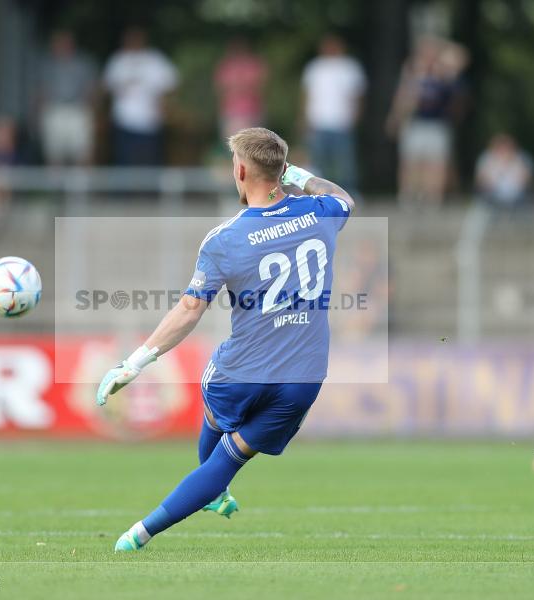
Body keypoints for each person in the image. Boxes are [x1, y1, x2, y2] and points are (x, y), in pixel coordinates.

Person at [96, 127, 354, 551]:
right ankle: (139, 534)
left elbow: (189, 310)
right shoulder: (319, 212)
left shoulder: (225, 238)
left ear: (241, 170)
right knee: (230, 458)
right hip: (304, 378)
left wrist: (134, 362)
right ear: (281, 170)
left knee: (215, 398)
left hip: (241, 373)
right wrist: (299, 176)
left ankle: (210, 490)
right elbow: (345, 198)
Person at [387, 36, 468, 208]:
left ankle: (432, 198)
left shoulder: (444, 72)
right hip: (415, 122)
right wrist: (396, 117)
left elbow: (460, 56)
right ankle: (408, 195)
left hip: (438, 123)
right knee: (411, 161)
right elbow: (402, 95)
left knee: (436, 163)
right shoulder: (413, 71)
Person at [301, 34, 367, 193]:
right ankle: (320, 192)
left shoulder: (350, 67)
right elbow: (307, 95)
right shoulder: (314, 67)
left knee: (345, 162)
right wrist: (304, 118)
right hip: (318, 121)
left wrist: (355, 116)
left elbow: (358, 95)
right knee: (319, 161)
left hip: (342, 121)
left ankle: (349, 191)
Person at [103, 27, 178, 166]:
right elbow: (107, 86)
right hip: (123, 120)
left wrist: (164, 105)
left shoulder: (155, 60)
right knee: (125, 161)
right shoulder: (118, 60)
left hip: (150, 121)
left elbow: (171, 84)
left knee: (150, 162)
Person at [37, 31, 98, 166]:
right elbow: (42, 91)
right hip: (55, 109)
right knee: (54, 153)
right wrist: (39, 114)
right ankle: (55, 180)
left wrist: (91, 112)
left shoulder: (83, 63)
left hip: (78, 109)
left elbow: (91, 89)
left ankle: (81, 180)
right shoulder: (47, 65)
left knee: (83, 152)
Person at [214, 38, 267, 140]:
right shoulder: (225, 66)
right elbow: (220, 91)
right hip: (231, 113)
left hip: (251, 112)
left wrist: (235, 89)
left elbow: (260, 89)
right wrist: (244, 88)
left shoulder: (254, 64)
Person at [474, 133, 534, 210]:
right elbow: (481, 180)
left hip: (517, 196)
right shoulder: (487, 159)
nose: (504, 150)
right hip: (493, 195)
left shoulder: (522, 159)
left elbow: (527, 180)